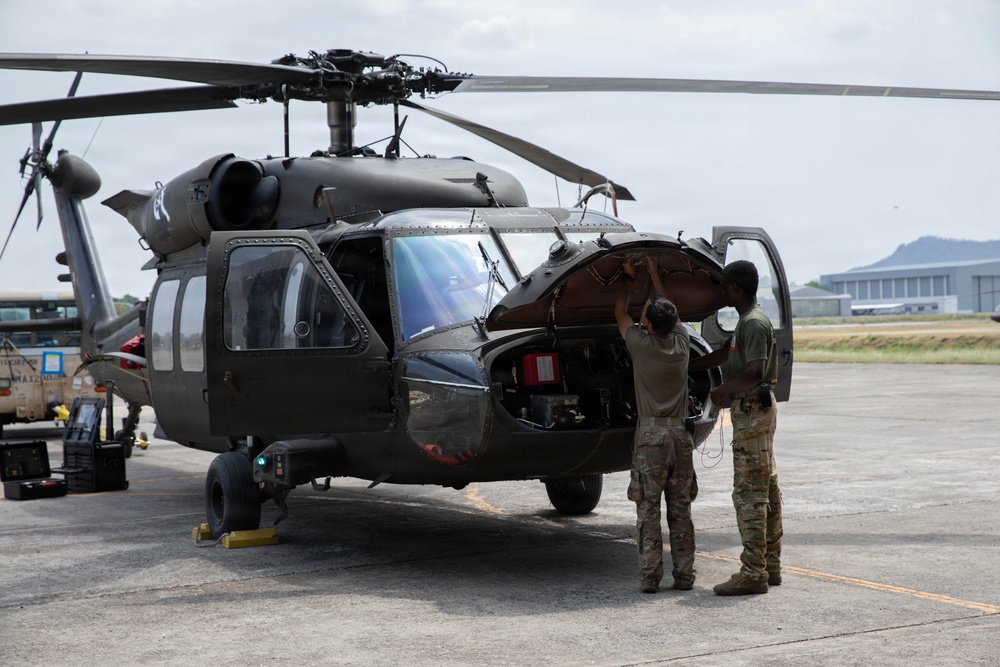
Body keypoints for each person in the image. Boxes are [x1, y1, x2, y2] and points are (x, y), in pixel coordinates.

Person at [689, 259, 782, 596]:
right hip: (755, 410)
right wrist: (688, 364)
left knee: (749, 493)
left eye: (724, 288)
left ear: (735, 289)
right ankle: (770, 566)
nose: (722, 294)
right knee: (766, 486)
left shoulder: (753, 323)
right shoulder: (745, 322)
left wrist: (722, 391)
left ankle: (753, 572)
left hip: (752, 410)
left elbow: (755, 371)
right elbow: (725, 357)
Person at [615, 257, 696, 594]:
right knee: (681, 510)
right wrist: (654, 273)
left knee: (648, 510)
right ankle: (685, 576)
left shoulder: (640, 344)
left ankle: (650, 577)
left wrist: (628, 277)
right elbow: (672, 312)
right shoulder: (682, 341)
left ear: (646, 323)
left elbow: (620, 313)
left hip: (650, 438)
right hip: (680, 436)